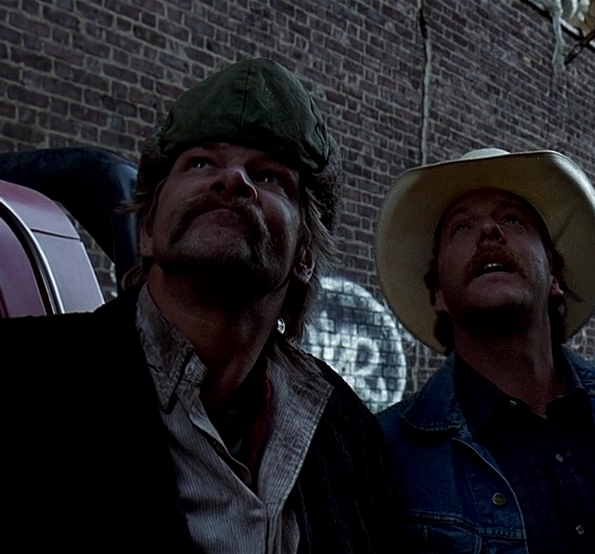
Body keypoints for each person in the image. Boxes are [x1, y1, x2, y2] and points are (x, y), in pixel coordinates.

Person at [0, 58, 404, 553]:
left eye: (270, 177)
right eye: (200, 164)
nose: (233, 180)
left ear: (304, 255)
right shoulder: (22, 377)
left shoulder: (351, 435)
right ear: (148, 230)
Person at [374, 148, 595, 553]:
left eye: (512, 219)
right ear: (438, 294)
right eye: (461, 227)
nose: (489, 231)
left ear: (554, 278)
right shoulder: (386, 453)